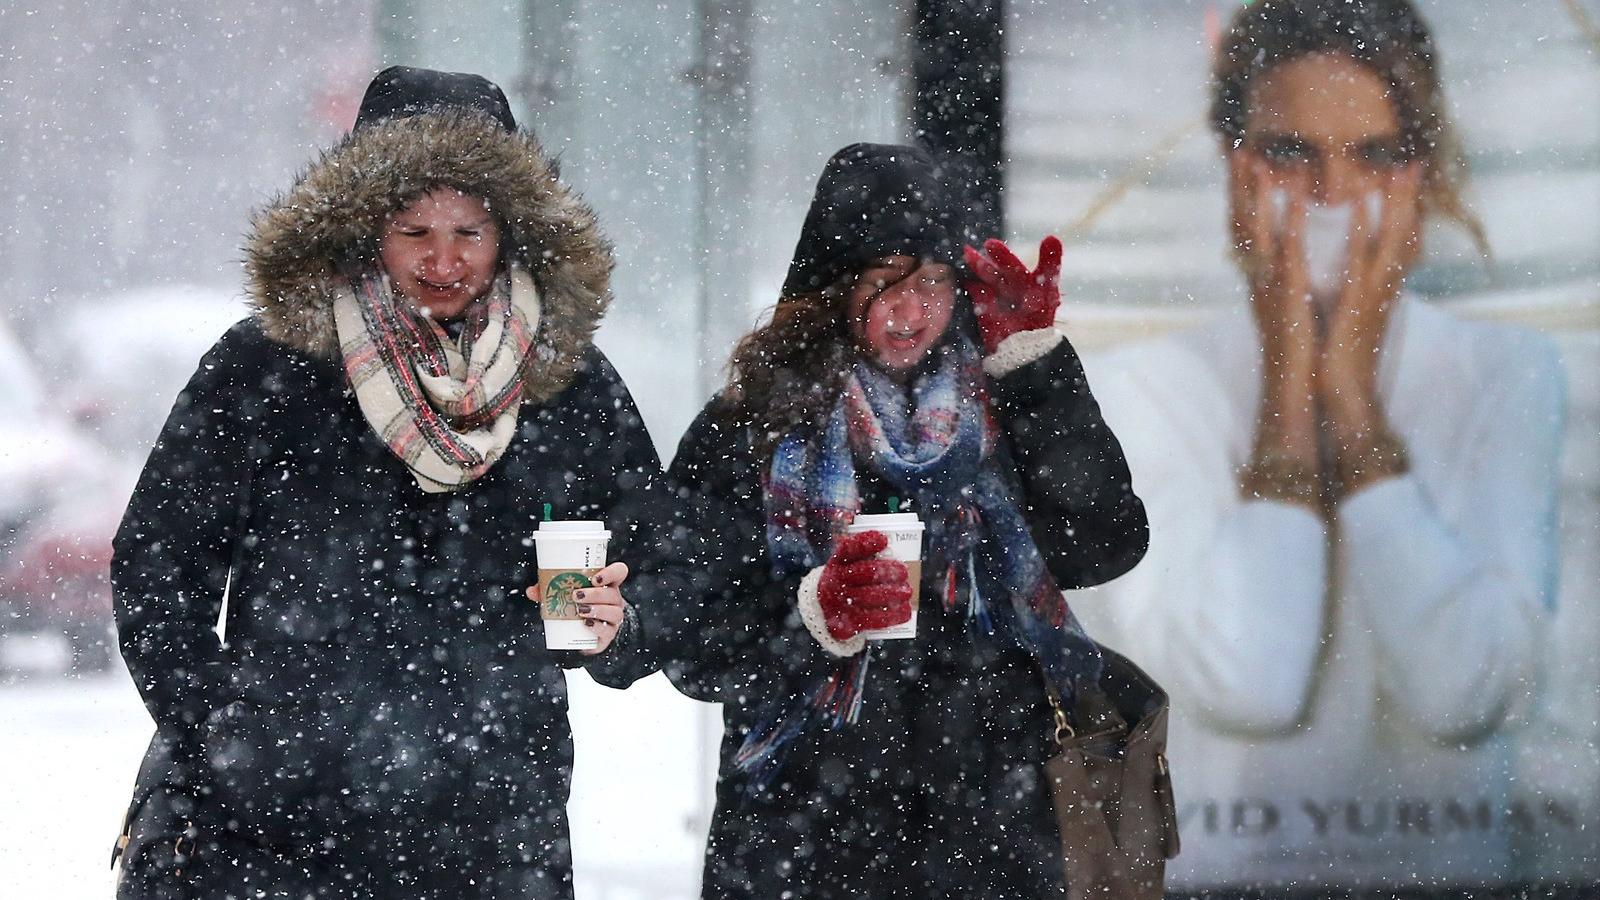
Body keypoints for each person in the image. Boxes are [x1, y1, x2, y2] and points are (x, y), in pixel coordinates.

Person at [110, 67, 657, 898]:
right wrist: (223, 724)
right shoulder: (266, 366)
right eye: (414, 231)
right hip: (272, 836)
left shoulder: (564, 378)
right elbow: (157, 558)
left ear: (512, 232)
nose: (445, 260)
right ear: (365, 227)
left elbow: (669, 555)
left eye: (470, 231)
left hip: (492, 832)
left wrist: (625, 620)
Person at [1071, 0, 1565, 892]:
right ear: (1234, 170)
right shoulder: (1137, 391)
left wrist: (1351, 401)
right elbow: (1245, 683)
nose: (1333, 198)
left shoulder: (1510, 374)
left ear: (1422, 172)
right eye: (1291, 152)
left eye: (1373, 154)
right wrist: (1291, 394)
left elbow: (1467, 695)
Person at [650, 142, 1148, 898]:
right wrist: (811, 614)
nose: (912, 311)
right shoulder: (749, 423)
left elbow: (1106, 543)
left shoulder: (1005, 396)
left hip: (994, 828)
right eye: (884, 283)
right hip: (804, 835)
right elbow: (683, 630)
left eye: (938, 281)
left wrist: (1037, 365)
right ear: (832, 286)